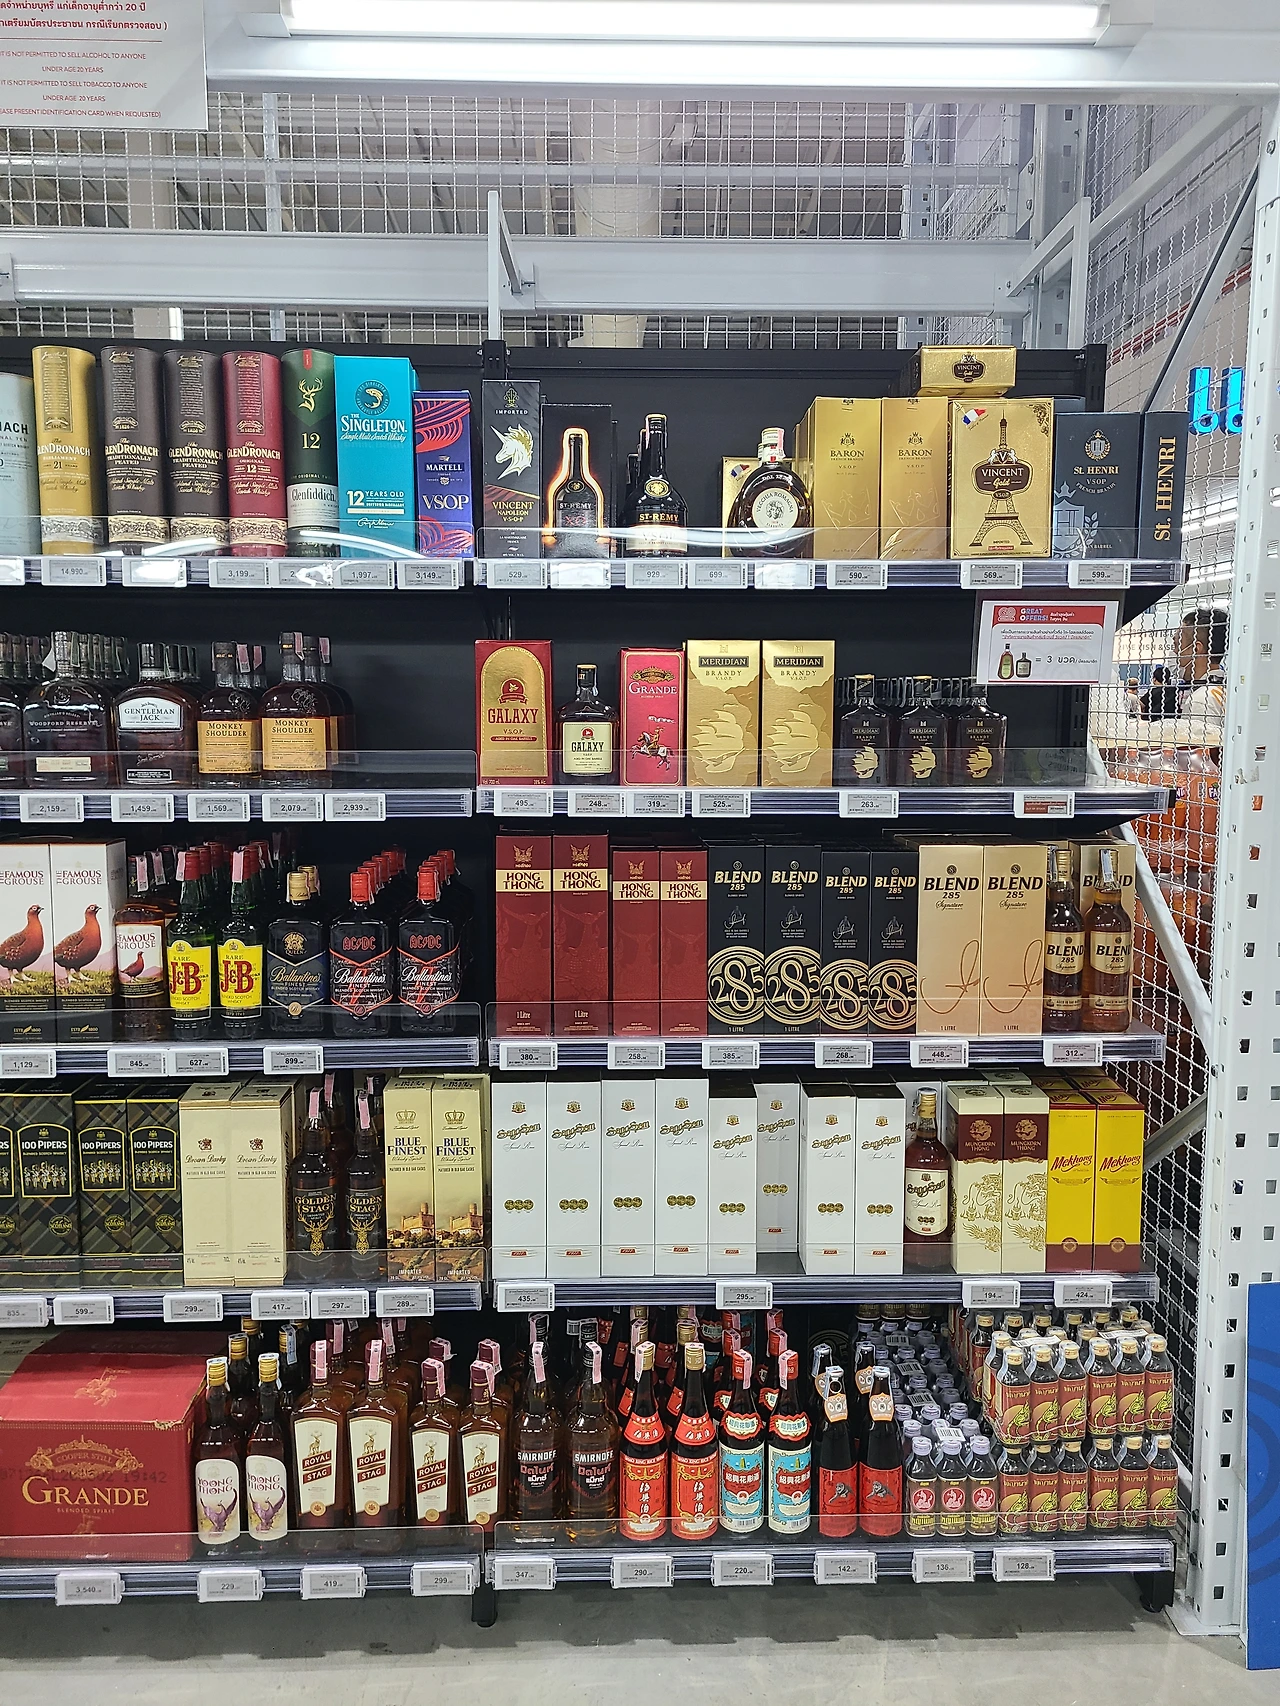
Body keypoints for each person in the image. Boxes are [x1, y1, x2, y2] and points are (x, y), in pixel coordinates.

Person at [1172, 606, 1228, 752]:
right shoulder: (1226, 691)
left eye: (1177, 645)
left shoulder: (1200, 700)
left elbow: (1197, 757)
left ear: (1196, 648)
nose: (1174, 652)